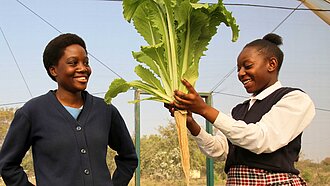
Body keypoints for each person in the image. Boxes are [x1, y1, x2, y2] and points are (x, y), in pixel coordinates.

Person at [166, 33, 315, 185]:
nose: (241, 73)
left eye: (247, 66)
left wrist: (205, 110)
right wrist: (190, 122)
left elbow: (261, 139)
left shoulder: (295, 98)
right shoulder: (239, 110)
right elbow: (219, 150)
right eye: (238, 68)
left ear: (272, 64)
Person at [0, 33, 138, 185]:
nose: (83, 68)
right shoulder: (32, 112)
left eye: (86, 62)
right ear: (54, 70)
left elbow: (129, 157)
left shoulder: (106, 110)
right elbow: (7, 165)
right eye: (73, 63)